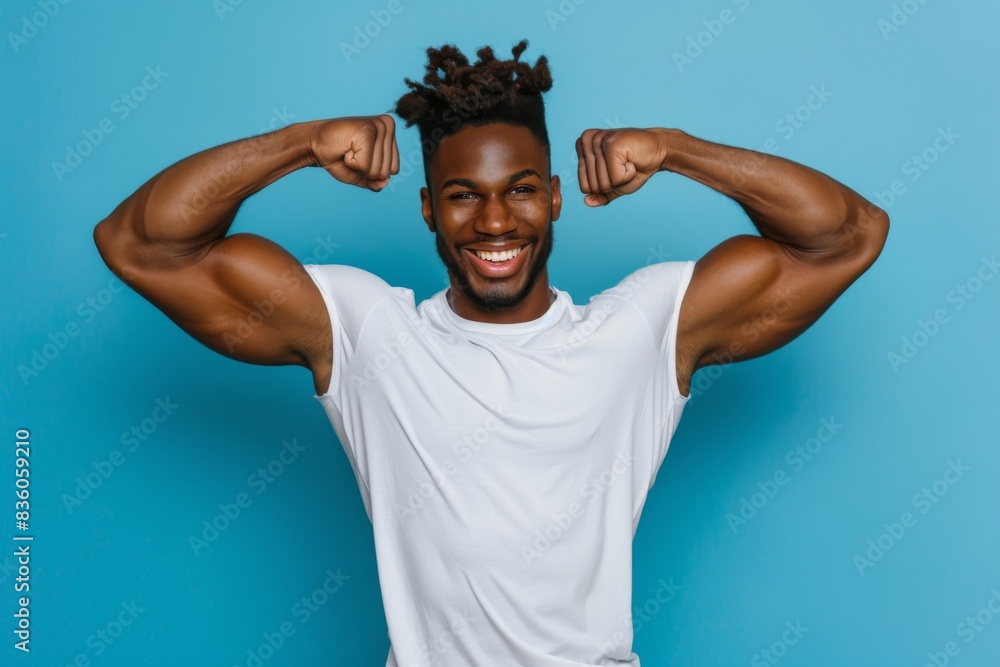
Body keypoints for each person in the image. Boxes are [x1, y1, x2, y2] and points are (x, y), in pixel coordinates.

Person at [93, 39, 888, 667]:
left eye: (520, 189)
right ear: (429, 211)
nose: (495, 221)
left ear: (555, 195)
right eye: (464, 195)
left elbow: (846, 235)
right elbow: (142, 244)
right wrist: (301, 144)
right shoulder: (368, 332)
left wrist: (676, 150)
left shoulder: (640, 330)